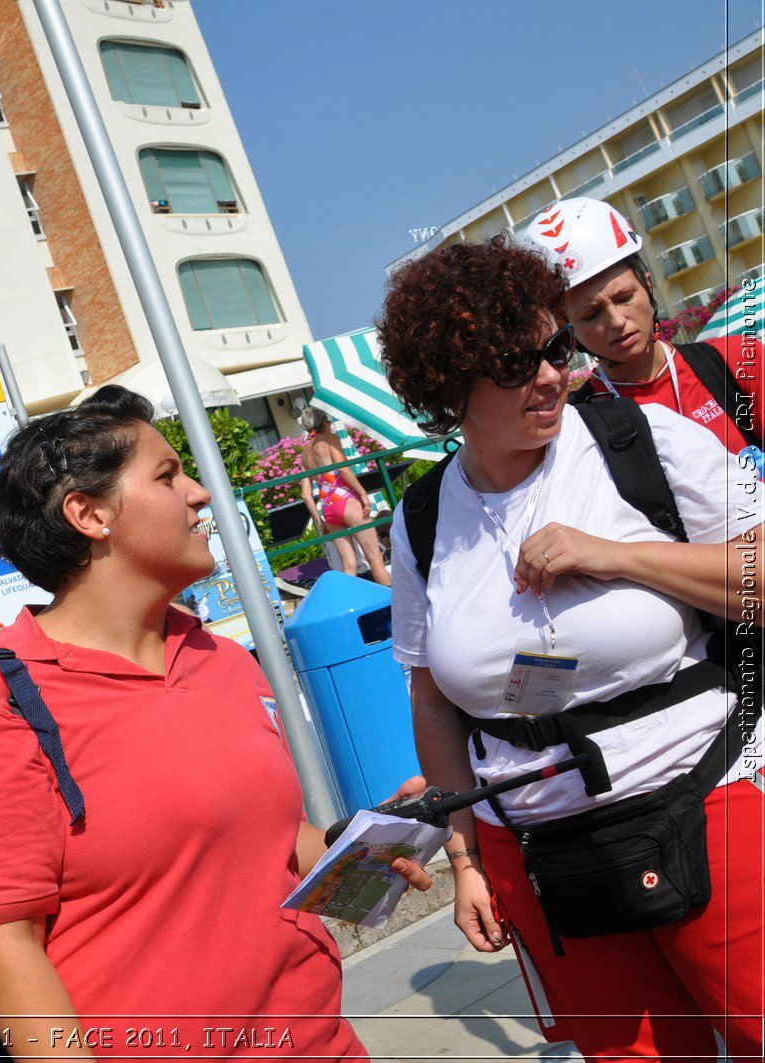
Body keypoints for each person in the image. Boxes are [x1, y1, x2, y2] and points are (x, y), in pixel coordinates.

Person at [0, 386, 429, 1060]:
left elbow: (269, 842)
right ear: (89, 514)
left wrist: (361, 852)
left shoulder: (220, 658)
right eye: (167, 476)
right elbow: (6, 950)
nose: (200, 493)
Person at [377, 236, 763, 1061]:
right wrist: (466, 860)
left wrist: (616, 554)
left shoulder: (640, 439)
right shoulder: (417, 521)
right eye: (515, 365)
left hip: (713, 794)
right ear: (448, 386)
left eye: (554, 347)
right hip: (542, 850)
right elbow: (432, 700)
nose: (551, 374)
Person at [517, 197, 761, 466]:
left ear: (648, 284)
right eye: (591, 314)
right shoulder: (578, 427)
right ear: (567, 327)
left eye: (624, 298)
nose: (617, 321)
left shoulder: (736, 360)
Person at [296, 406, 391, 585]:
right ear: (324, 422)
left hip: (328, 508)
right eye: (329, 421)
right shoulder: (330, 439)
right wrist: (363, 494)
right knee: (375, 558)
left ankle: (354, 606)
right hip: (345, 500)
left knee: (348, 566)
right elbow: (343, 469)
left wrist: (320, 521)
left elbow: (306, 495)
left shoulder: (304, 454)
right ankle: (391, 605)